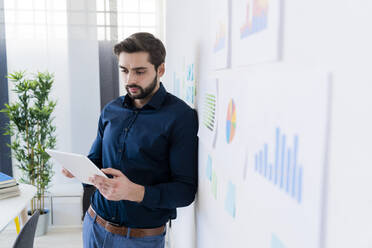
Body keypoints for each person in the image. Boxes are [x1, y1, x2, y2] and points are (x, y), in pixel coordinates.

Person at [62, 32, 198, 248]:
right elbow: (96, 159)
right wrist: (79, 169)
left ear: (160, 70)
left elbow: (185, 191)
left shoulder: (180, 117)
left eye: (139, 71)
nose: (130, 80)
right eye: (124, 71)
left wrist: (133, 192)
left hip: (140, 239)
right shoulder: (111, 110)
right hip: (94, 225)